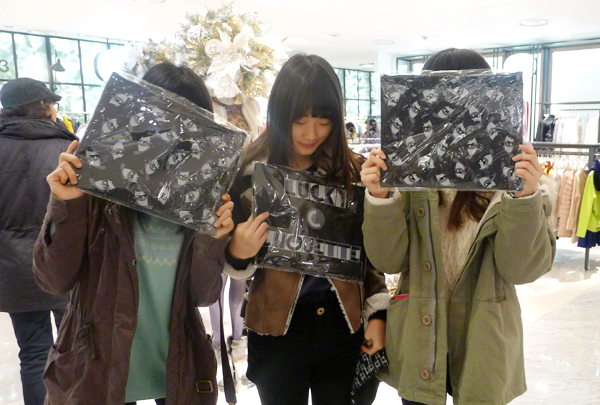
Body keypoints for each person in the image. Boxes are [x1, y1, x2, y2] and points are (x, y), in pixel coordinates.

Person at [360, 48, 557, 405]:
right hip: (420, 341)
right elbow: (388, 259)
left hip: (485, 341)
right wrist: (380, 197)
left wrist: (523, 197)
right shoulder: (409, 180)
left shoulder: (508, 180)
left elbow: (522, 269)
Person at [32, 62, 234, 405]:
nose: (171, 137)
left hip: (176, 368)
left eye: (187, 125)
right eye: (160, 121)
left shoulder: (201, 200)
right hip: (96, 369)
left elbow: (203, 296)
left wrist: (211, 238)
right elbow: (53, 279)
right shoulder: (99, 189)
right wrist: (67, 205)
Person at [223, 54, 390, 405]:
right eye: (298, 120)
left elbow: (369, 253)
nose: (310, 133)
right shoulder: (251, 173)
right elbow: (230, 255)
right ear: (279, 114)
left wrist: (378, 315)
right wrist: (237, 251)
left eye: (323, 121)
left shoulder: (353, 173)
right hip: (275, 330)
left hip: (343, 326)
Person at [0, 78, 75, 405]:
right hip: (64, 260)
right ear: (44, 107)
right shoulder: (68, 148)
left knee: (33, 352)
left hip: (13, 266)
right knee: (75, 347)